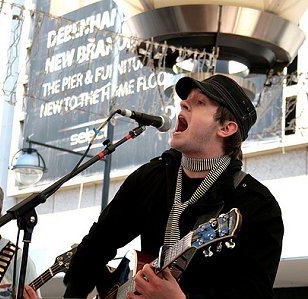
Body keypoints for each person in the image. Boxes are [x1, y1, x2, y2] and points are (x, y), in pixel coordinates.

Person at [62, 74, 284, 299]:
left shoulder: (257, 204)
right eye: (186, 99)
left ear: (226, 128)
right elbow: (97, 244)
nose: (183, 103)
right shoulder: (152, 177)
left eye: (200, 103)